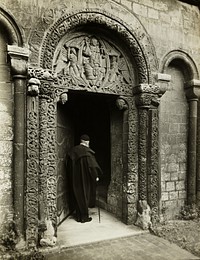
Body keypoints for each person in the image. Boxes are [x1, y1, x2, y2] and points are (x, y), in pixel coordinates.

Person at [67, 134, 102, 223]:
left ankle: (79, 216)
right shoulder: (87, 152)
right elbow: (92, 167)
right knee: (84, 196)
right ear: (86, 142)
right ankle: (84, 217)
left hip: (75, 178)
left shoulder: (73, 151)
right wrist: (96, 176)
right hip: (85, 178)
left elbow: (68, 165)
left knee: (77, 195)